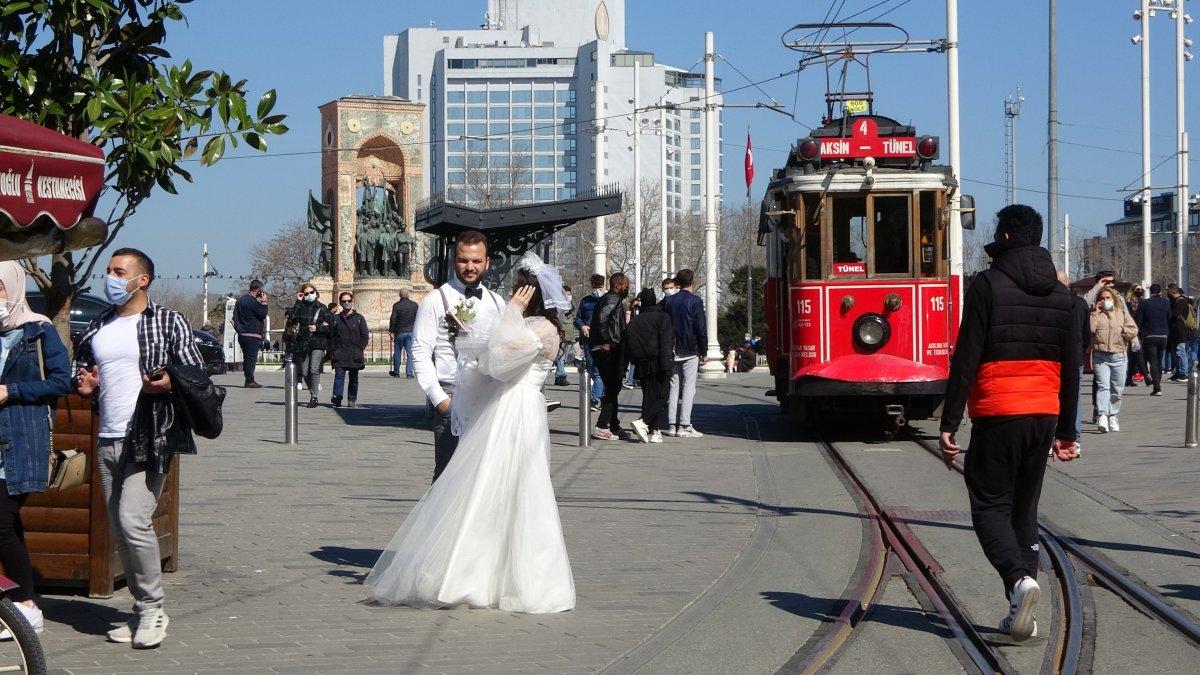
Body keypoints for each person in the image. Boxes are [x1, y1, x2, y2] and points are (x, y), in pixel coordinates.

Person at [365, 253, 575, 613]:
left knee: (506, 484)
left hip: (514, 409)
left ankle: (506, 577)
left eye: (517, 290)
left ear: (529, 293)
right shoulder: (537, 325)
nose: (511, 294)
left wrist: (506, 317)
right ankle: (486, 571)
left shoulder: (540, 328)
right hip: (510, 407)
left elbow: (499, 364)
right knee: (492, 485)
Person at [939, 205, 1080, 643]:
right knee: (1024, 511)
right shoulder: (1067, 299)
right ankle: (1023, 611)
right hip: (1044, 413)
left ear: (1002, 236)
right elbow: (1073, 368)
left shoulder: (987, 285)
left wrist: (949, 421)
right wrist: (1067, 431)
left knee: (988, 507)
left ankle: (1019, 580)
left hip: (1000, 411)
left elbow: (967, 356)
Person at [74, 248, 206, 649]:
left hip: (150, 435)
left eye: (119, 271)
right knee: (120, 529)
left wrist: (169, 383)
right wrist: (86, 388)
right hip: (107, 438)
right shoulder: (100, 325)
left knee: (133, 520)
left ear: (142, 279)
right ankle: (140, 608)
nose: (110, 278)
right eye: (109, 271)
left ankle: (153, 608)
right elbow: (86, 377)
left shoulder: (166, 321)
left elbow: (197, 374)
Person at [0, 262, 72, 639]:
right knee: (8, 524)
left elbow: (61, 381)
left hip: (22, 440)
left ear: (12, 287)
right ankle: (19, 606)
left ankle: (26, 603)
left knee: (1, 523)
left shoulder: (38, 330)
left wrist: (11, 391)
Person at [412, 230, 506, 482]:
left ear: (487, 262)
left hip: (488, 397)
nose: (470, 267)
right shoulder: (435, 299)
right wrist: (440, 399)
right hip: (451, 395)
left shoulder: (498, 302)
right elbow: (420, 352)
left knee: (484, 479)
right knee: (447, 478)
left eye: (476, 261)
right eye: (464, 260)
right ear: (455, 261)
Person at [625, 288, 674, 444]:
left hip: (641, 363)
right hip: (659, 361)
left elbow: (629, 344)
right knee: (663, 396)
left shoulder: (635, 321)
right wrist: (667, 366)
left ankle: (654, 430)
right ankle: (643, 421)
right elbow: (666, 343)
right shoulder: (663, 317)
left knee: (648, 397)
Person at [663, 269, 706, 438]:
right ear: (693, 280)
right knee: (689, 387)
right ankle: (685, 424)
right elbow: (700, 328)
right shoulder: (695, 301)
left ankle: (672, 424)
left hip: (672, 348)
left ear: (678, 282)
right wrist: (703, 351)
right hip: (690, 349)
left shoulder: (669, 302)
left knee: (674, 386)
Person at [1090, 286, 1138, 433]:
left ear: (1114, 299)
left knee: (1117, 389)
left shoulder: (1122, 313)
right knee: (1103, 386)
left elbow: (1133, 330)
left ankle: (1113, 415)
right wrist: (1097, 313)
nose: (1105, 301)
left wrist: (1123, 330)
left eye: (1108, 298)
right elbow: (1090, 330)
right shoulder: (1094, 315)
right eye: (1102, 298)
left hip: (1119, 355)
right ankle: (1103, 414)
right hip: (1100, 355)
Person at [590, 273, 630, 441]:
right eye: (626, 285)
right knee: (612, 387)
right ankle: (602, 425)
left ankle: (614, 425)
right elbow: (601, 319)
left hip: (609, 347)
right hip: (608, 349)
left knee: (612, 387)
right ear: (619, 285)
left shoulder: (611, 299)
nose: (628, 288)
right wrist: (606, 341)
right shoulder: (613, 299)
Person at [286, 283, 334, 408]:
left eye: (311, 292)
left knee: (314, 369)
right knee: (305, 371)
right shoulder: (300, 307)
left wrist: (318, 328)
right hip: (303, 342)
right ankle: (313, 392)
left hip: (318, 342)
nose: (309, 295)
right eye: (306, 293)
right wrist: (298, 301)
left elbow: (333, 325)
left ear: (316, 293)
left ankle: (314, 397)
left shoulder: (322, 308)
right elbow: (292, 320)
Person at [330, 292, 370, 408]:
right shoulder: (336, 319)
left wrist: (359, 348)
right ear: (341, 303)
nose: (346, 303)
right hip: (340, 352)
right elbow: (331, 335)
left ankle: (352, 399)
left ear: (352, 302)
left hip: (354, 353)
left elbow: (365, 336)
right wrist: (334, 349)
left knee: (353, 377)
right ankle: (337, 396)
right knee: (339, 374)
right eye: (344, 301)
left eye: (348, 301)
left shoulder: (359, 318)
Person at [573, 274, 606, 412]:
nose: (597, 289)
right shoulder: (586, 301)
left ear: (604, 285)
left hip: (604, 340)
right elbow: (578, 318)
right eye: (595, 286)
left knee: (598, 372)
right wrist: (582, 326)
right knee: (592, 369)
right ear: (591, 285)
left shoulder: (608, 299)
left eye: (600, 286)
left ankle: (594, 398)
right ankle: (602, 395)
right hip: (588, 339)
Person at [1134, 283, 1171, 396]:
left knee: (1153, 361)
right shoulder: (1166, 302)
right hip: (1163, 335)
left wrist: (1138, 334)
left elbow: (1138, 320)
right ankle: (1157, 384)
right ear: (1160, 292)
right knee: (1159, 361)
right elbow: (1169, 317)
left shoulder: (1144, 303)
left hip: (1150, 335)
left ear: (1150, 292)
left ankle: (1157, 387)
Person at [232, 280, 269, 388]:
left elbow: (235, 315)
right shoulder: (253, 302)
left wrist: (239, 328)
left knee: (247, 358)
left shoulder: (240, 300)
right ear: (258, 290)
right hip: (252, 334)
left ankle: (248, 378)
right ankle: (249, 380)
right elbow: (262, 314)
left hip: (242, 334)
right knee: (251, 358)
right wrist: (264, 302)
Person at [388, 289, 418, 378]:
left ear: (399, 295)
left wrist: (391, 331)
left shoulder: (397, 305)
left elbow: (393, 319)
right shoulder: (414, 305)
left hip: (399, 332)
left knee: (397, 352)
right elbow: (418, 318)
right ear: (408, 294)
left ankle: (396, 371)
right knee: (410, 353)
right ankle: (409, 373)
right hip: (410, 331)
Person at [1124, 285, 1149, 387]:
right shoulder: (1128, 303)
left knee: (1133, 355)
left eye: (1141, 289)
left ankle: (1129, 379)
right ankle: (1146, 375)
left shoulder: (1143, 302)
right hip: (1131, 330)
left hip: (1141, 330)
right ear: (1133, 291)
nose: (1140, 291)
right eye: (1138, 289)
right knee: (1138, 352)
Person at [1168, 286, 1192, 381]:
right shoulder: (1180, 301)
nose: (1171, 295)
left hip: (1180, 331)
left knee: (1181, 351)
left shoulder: (1181, 301)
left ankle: (1184, 373)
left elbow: (1175, 313)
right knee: (1176, 353)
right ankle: (1178, 372)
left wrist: (1170, 313)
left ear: (1175, 292)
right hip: (1176, 331)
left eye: (1171, 293)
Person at [553, 285, 575, 387]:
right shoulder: (558, 307)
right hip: (562, 334)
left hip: (570, 334)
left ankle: (560, 376)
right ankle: (560, 376)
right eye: (566, 294)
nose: (568, 296)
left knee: (564, 358)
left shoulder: (571, 306)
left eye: (569, 294)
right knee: (561, 357)